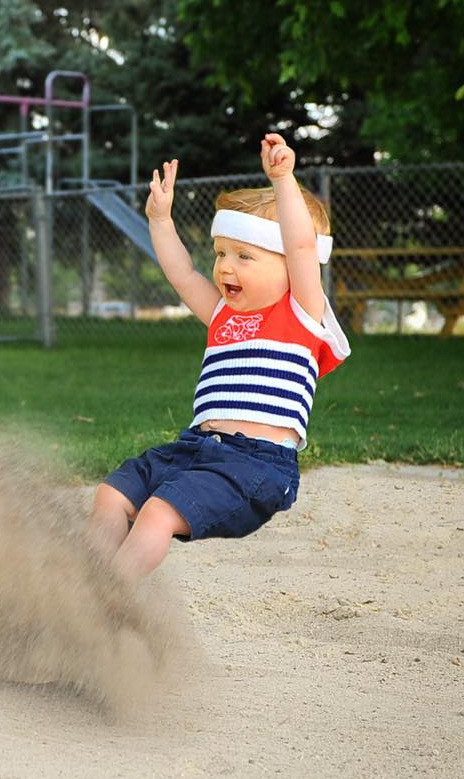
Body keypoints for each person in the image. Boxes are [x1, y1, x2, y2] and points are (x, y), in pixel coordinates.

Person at [89, 133, 350, 578]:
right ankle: (83, 582)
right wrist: (160, 221)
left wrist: (283, 179)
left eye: (244, 255)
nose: (225, 266)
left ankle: (111, 598)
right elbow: (182, 273)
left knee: (157, 513)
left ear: (290, 266)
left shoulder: (301, 313)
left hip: (254, 465)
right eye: (222, 253)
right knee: (110, 495)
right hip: (193, 449)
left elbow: (302, 246)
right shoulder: (221, 314)